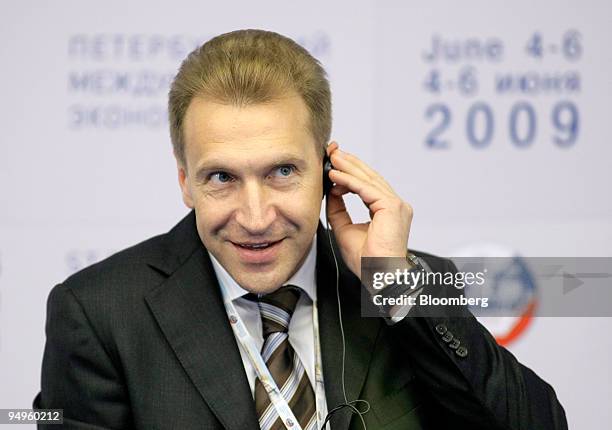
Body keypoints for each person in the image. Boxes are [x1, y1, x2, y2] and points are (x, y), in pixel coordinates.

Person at [34, 29, 568, 430]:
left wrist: (396, 287)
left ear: (328, 170)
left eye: (282, 172)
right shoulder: (98, 313)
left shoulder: (408, 282)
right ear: (184, 182)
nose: (256, 216)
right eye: (221, 177)